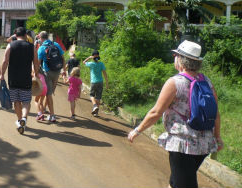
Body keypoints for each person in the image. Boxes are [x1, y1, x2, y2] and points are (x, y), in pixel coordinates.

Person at [128, 40, 223, 188]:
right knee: (177, 180)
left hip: (182, 145)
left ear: (180, 59)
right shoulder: (207, 81)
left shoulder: (174, 83)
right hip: (204, 144)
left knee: (183, 183)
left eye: (176, 55)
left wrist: (137, 130)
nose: (174, 57)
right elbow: (216, 113)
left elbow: (156, 112)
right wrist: (218, 137)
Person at [0, 27, 39, 134]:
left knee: (16, 101)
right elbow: (36, 63)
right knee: (26, 101)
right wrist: (36, 74)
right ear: (26, 35)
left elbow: (5, 61)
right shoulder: (32, 47)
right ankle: (24, 119)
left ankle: (19, 119)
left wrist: (2, 74)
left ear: (15, 35)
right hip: (26, 78)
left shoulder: (10, 45)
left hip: (13, 78)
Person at [37, 31, 66, 123]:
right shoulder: (56, 44)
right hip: (57, 71)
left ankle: (52, 115)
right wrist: (64, 70)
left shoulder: (41, 48)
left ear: (41, 38)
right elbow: (63, 58)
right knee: (50, 92)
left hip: (48, 72)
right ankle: (45, 108)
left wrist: (35, 75)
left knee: (48, 94)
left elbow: (37, 64)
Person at [83, 50, 109, 117]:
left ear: (93, 57)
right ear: (98, 56)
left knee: (91, 95)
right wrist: (107, 83)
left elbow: (84, 62)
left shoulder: (91, 64)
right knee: (98, 97)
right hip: (100, 82)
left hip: (93, 82)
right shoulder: (101, 64)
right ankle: (96, 113)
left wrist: (89, 57)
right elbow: (105, 73)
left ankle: (94, 106)